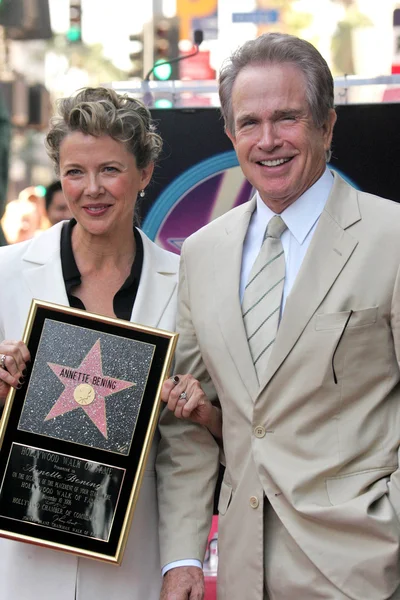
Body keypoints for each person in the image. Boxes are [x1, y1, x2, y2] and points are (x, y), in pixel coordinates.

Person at [157, 32, 400, 600]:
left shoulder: (392, 237)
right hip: (243, 571)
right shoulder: (201, 252)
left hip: (365, 569)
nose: (268, 141)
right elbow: (191, 421)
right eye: (249, 122)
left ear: (327, 125)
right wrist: (184, 556)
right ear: (229, 133)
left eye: (287, 118)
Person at [0, 87, 179, 600]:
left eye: (111, 170)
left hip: (131, 565)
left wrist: (196, 407)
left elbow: (186, 450)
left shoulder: (184, 283)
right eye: (75, 171)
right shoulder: (6, 273)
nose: (92, 189)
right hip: (20, 564)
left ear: (144, 174)